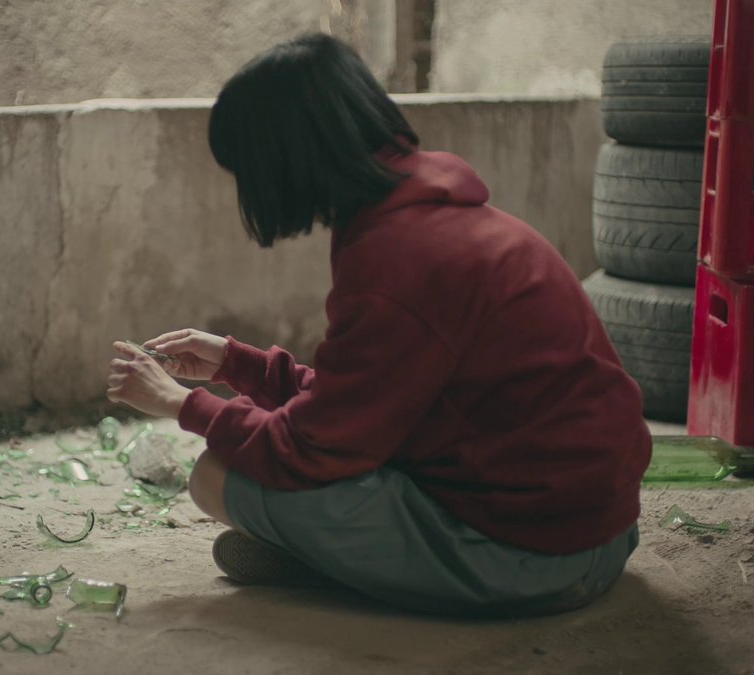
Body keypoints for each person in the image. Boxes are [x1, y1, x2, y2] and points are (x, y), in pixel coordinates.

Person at [105, 33, 649, 617]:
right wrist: (237, 365)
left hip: (538, 559)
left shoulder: (397, 256)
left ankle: (350, 567)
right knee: (280, 459)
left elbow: (311, 447)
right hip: (601, 530)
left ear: (283, 157)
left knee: (218, 478)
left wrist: (183, 406)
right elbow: (368, 403)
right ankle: (354, 561)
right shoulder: (432, 214)